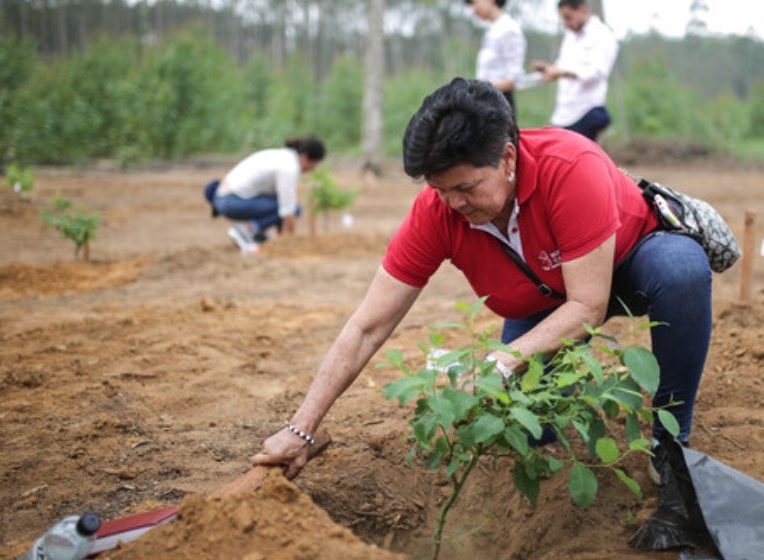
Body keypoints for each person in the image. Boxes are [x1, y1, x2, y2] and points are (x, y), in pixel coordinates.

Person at [250, 78, 711, 485]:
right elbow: (368, 325)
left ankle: (672, 441)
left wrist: (500, 360)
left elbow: (588, 306)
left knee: (682, 270)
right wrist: (301, 428)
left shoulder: (569, 167)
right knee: (530, 427)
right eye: (440, 189)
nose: (453, 203)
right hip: (544, 298)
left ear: (507, 156)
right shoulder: (437, 211)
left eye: (466, 188)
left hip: (629, 263)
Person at [206, 136, 326, 254]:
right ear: (305, 157)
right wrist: (290, 242)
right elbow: (288, 211)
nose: (312, 169)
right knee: (294, 208)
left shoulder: (284, 156)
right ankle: (245, 231)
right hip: (232, 201)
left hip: (223, 197)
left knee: (287, 206)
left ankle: (257, 234)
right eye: (314, 165)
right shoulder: (289, 167)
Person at [530, 0, 619, 142]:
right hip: (565, 112)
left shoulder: (602, 35)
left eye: (568, 17)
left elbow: (597, 71)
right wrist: (549, 70)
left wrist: (562, 73)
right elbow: (562, 65)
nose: (566, 23)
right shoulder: (571, 36)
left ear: (583, 10)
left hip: (586, 110)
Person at [465, 0, 527, 114]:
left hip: (499, 106)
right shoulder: (493, 30)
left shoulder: (509, 30)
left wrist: (476, 88)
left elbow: (512, 80)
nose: (473, 9)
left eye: (474, 3)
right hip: (485, 101)